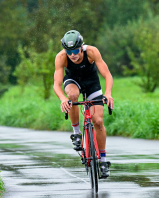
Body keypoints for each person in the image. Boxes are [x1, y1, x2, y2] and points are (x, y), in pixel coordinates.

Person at [53, 30, 114, 178]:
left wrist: (108, 94)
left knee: (98, 121)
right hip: (73, 82)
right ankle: (76, 133)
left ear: (81, 47)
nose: (72, 55)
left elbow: (107, 75)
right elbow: (57, 84)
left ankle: (103, 160)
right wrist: (62, 98)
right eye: (69, 51)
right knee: (72, 96)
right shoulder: (61, 57)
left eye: (75, 50)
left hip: (92, 83)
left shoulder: (92, 52)